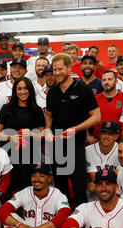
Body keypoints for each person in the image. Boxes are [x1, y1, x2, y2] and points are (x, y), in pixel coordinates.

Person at [44, 53, 101, 208]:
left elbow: (96, 117)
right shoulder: (52, 92)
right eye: (54, 70)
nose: (56, 73)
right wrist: (48, 129)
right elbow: (48, 114)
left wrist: (76, 129)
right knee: (60, 189)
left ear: (69, 67)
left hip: (75, 145)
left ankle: (81, 225)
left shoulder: (83, 89)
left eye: (60, 69)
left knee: (79, 190)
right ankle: (63, 222)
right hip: (56, 146)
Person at [0, 77, 45, 195]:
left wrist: (31, 133)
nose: (22, 92)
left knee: (26, 190)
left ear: (30, 90)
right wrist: (10, 137)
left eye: (25, 88)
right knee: (8, 189)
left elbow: (42, 134)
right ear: (15, 91)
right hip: (9, 155)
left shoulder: (37, 110)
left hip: (29, 157)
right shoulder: (6, 108)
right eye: (19, 89)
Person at [85, 120, 119, 202]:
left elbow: (120, 174)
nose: (106, 136)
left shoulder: (121, 150)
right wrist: (113, 173)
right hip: (93, 199)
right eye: (104, 133)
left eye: (110, 134)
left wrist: (98, 180)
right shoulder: (89, 150)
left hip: (115, 197)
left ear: (116, 136)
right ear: (100, 134)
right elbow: (93, 175)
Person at [92, 70, 123, 142]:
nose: (106, 82)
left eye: (109, 79)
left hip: (119, 141)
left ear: (116, 81)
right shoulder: (95, 99)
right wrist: (88, 135)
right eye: (104, 80)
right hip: (98, 141)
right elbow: (87, 118)